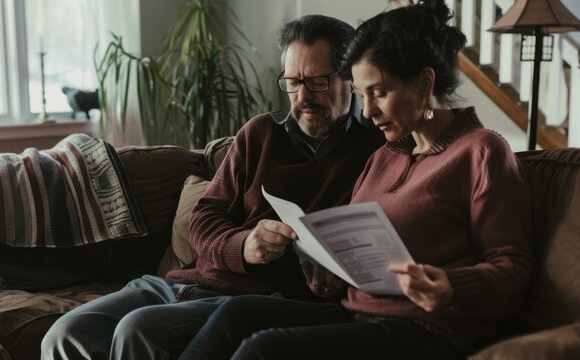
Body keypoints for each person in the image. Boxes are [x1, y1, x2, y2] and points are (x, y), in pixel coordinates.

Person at [178, 1, 535, 359]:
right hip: (355, 314)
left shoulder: (481, 151)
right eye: (362, 95)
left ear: (425, 83)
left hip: (426, 330)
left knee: (264, 350)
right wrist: (330, 272)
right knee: (237, 314)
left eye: (379, 93)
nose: (367, 111)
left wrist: (452, 286)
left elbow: (512, 270)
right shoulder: (382, 158)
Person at [40, 14, 385, 360]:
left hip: (247, 300)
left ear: (349, 79)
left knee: (140, 330)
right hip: (180, 283)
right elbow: (203, 217)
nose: (302, 96)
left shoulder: (375, 152)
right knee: (65, 334)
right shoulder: (260, 134)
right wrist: (245, 245)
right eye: (293, 82)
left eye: (318, 82)